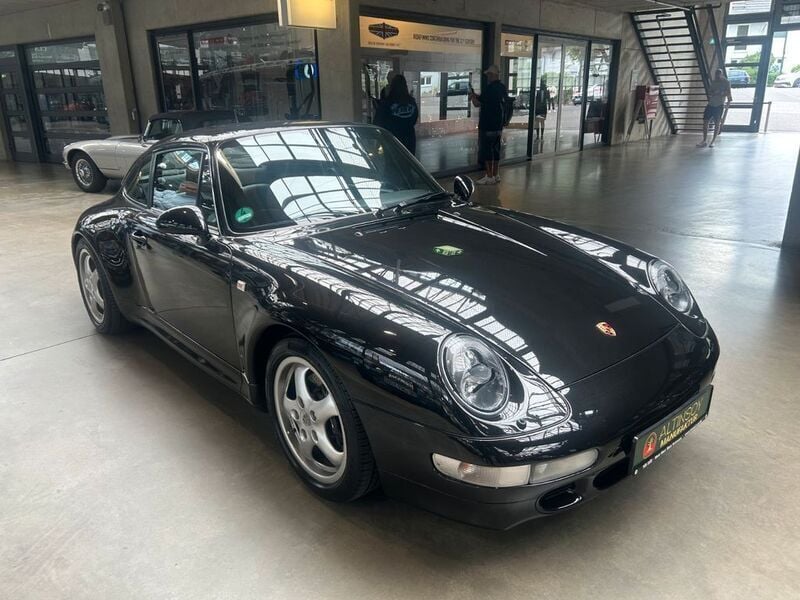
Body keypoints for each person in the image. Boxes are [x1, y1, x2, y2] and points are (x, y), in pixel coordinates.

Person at [469, 64, 508, 185]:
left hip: (487, 124)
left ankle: (489, 175)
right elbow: (488, 100)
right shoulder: (502, 87)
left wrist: (472, 97)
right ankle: (496, 174)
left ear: (492, 75)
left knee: (487, 150)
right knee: (496, 149)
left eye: (488, 75)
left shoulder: (489, 88)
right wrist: (477, 96)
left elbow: (477, 104)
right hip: (498, 124)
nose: (488, 77)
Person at [375, 74, 419, 154]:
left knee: (393, 160)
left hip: (392, 139)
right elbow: (415, 118)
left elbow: (378, 121)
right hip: (409, 139)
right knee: (408, 160)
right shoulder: (411, 101)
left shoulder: (387, 103)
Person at [697, 68, 732, 148]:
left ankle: (713, 141)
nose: (717, 77)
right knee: (705, 122)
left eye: (718, 75)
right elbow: (710, 92)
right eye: (716, 75)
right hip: (711, 104)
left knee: (717, 123)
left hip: (719, 105)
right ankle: (704, 140)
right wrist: (713, 93)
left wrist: (722, 95)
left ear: (721, 75)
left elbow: (728, 93)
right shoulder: (714, 82)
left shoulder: (726, 82)